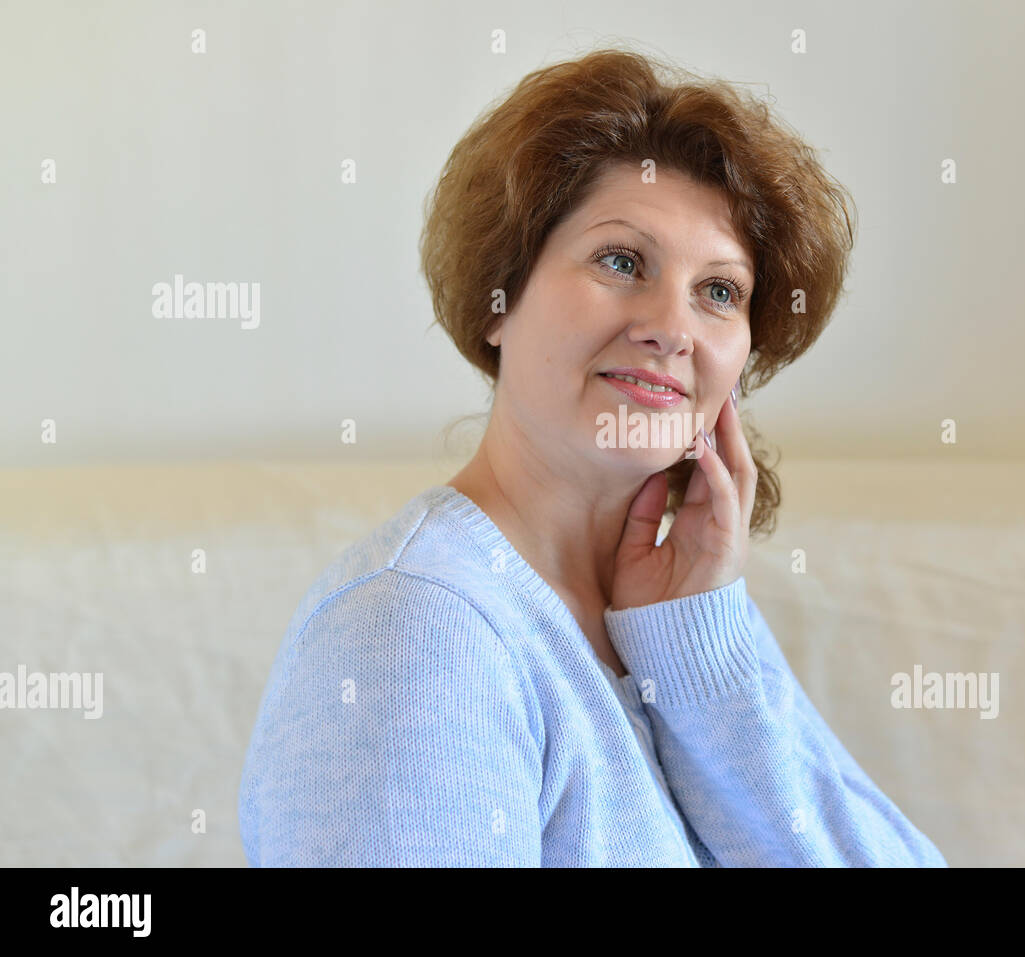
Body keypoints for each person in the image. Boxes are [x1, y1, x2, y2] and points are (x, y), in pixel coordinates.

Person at [238, 45, 947, 867]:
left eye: (720, 291)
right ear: (499, 299)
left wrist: (695, 645)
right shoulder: (416, 630)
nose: (672, 328)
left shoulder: (677, 618)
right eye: (622, 260)